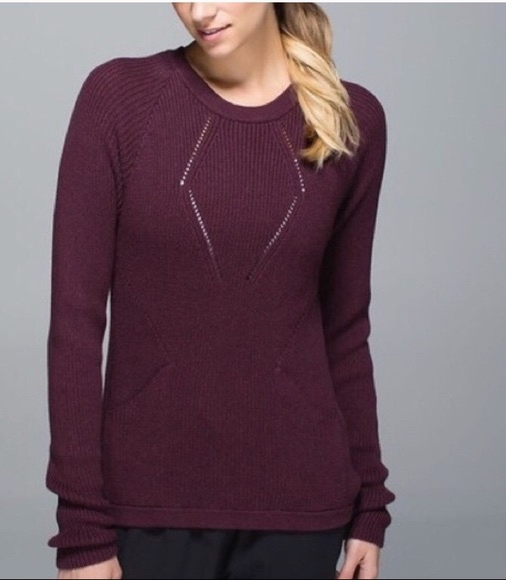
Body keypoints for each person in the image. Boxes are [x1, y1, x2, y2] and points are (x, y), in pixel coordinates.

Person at [45, 3, 396, 579]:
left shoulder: (350, 119)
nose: (199, 11)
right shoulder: (120, 99)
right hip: (146, 507)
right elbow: (74, 326)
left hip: (304, 508)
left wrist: (370, 506)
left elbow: (346, 329)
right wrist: (82, 529)